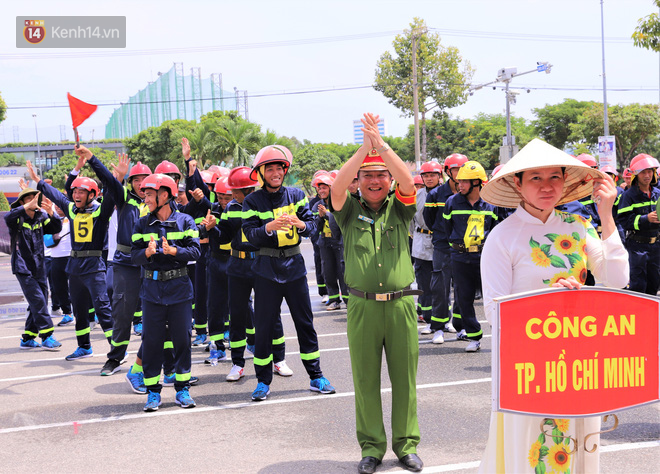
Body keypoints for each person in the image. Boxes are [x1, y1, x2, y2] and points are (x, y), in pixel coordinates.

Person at [478, 138, 629, 473]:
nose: (546, 187)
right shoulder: (503, 237)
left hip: (577, 360)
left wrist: (606, 214)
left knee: (578, 441)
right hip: (527, 365)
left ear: (565, 182)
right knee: (533, 447)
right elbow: (494, 311)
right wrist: (548, 301)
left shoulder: (578, 227)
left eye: (554, 178)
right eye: (535, 178)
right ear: (517, 184)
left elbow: (617, 279)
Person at [330, 113, 423, 474]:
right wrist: (363, 151)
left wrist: (381, 147)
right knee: (366, 381)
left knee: (405, 381)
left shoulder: (401, 209)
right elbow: (337, 188)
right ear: (359, 181)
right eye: (366, 175)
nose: (374, 181)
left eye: (380, 175)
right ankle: (371, 447)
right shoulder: (349, 211)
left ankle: (406, 445)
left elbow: (408, 180)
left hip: (400, 305)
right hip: (363, 307)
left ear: (388, 180)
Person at [242, 144, 335, 402]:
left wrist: (302, 223)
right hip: (265, 271)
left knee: (305, 324)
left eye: (278, 168)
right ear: (261, 173)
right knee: (263, 328)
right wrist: (268, 228)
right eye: (269, 169)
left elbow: (314, 227)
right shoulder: (251, 201)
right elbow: (249, 236)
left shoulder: (296, 196)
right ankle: (262, 382)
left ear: (285, 171)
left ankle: (316, 377)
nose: (275, 173)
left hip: (294, 268)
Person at [28, 158, 115, 362]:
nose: (76, 195)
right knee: (79, 311)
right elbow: (56, 195)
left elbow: (112, 191)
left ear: (92, 195)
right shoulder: (72, 211)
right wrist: (38, 181)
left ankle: (117, 350)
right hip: (74, 268)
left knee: (103, 310)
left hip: (94, 268)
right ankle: (84, 347)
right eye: (74, 192)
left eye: (81, 192)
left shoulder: (101, 212)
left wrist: (114, 176)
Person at [131, 173, 201, 412]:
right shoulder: (141, 224)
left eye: (149, 194)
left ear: (165, 195)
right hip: (151, 291)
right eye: (145, 194)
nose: (146, 198)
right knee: (151, 342)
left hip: (180, 289)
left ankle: (182, 389)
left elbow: (195, 252)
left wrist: (173, 251)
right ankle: (152, 393)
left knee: (182, 340)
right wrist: (147, 254)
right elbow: (133, 255)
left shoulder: (186, 221)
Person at [443, 161, 498, 351]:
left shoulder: (491, 204)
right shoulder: (452, 202)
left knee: (492, 298)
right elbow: (446, 228)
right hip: (459, 257)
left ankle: (500, 335)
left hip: (485, 257)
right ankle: (474, 337)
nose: (460, 185)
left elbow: (496, 229)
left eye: (465, 182)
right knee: (463, 298)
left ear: (477, 183)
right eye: (460, 181)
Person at [6, 187, 63, 350]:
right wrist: (25, 207)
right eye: (27, 198)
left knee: (40, 301)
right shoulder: (17, 218)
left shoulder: (41, 217)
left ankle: (28, 338)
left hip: (39, 264)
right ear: (22, 202)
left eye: (34, 197)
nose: (32, 200)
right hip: (22, 265)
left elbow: (55, 228)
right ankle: (47, 336)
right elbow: (8, 216)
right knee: (38, 300)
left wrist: (52, 212)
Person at [423, 153, 467, 336]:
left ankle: (461, 326)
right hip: (442, 246)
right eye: (455, 169)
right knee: (440, 287)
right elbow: (429, 220)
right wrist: (442, 234)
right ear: (448, 171)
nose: (458, 173)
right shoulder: (435, 194)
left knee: (462, 287)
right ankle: (438, 327)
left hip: (464, 248)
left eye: (461, 169)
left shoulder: (471, 192)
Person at [617, 153, 660, 295]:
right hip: (637, 246)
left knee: (654, 282)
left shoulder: (657, 194)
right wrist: (645, 218)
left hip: (656, 245)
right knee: (638, 284)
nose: (647, 175)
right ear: (636, 174)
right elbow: (624, 221)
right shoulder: (628, 196)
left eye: (649, 171)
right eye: (643, 172)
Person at [411, 161, 442, 336]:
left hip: (440, 240)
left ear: (440, 176)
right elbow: (410, 220)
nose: (429, 178)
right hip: (421, 240)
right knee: (424, 283)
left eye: (432, 175)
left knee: (442, 284)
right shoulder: (418, 195)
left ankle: (444, 319)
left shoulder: (446, 194)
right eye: (426, 175)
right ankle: (428, 319)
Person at [312, 173, 348, 310]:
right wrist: (320, 217)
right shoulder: (316, 206)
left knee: (342, 271)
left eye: (324, 188)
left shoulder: (339, 202)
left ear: (331, 188)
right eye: (319, 188)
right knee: (328, 272)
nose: (321, 191)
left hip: (338, 242)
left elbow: (341, 222)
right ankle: (333, 299)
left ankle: (348, 300)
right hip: (325, 242)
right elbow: (317, 227)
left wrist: (327, 214)